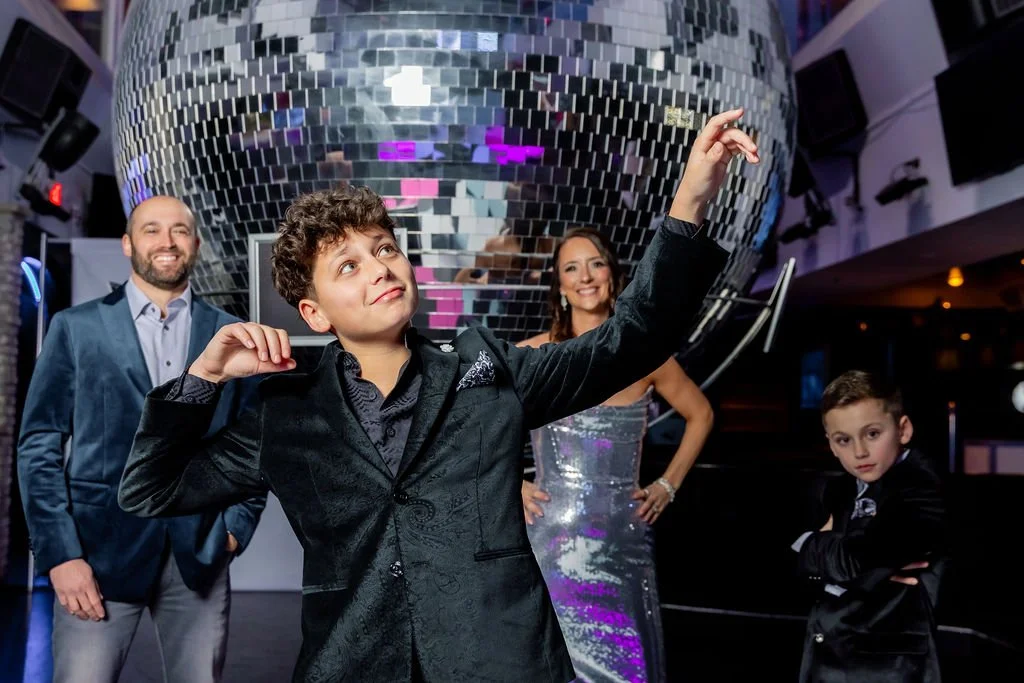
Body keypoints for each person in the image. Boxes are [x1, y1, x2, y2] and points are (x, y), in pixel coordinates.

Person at [118, 109, 760, 682]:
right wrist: (200, 379)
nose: (380, 268)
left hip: (499, 659)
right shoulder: (285, 416)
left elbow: (632, 342)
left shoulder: (489, 371)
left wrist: (691, 198)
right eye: (349, 265)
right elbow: (149, 489)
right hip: (353, 662)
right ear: (314, 313)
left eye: (385, 249)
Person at [17, 196, 267, 683]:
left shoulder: (232, 334)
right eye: (152, 230)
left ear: (195, 244)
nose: (167, 241)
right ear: (128, 244)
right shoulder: (75, 328)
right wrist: (60, 554)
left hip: (201, 554)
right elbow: (39, 444)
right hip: (96, 556)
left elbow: (253, 446)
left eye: (179, 230)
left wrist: (235, 529)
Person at [517, 226, 714, 682]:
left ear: (613, 275)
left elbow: (701, 414)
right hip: (552, 545)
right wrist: (510, 481)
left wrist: (669, 483)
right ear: (560, 286)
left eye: (596, 263)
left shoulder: (647, 357)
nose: (585, 276)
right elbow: (472, 421)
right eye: (571, 267)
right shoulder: (534, 355)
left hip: (624, 543)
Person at [792, 370, 947, 683]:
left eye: (872, 434)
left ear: (903, 430)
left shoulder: (922, 487)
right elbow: (798, 572)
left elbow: (855, 560)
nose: (859, 452)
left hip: (886, 667)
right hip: (829, 657)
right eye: (844, 440)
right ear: (831, 445)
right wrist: (826, 558)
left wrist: (809, 544)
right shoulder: (839, 489)